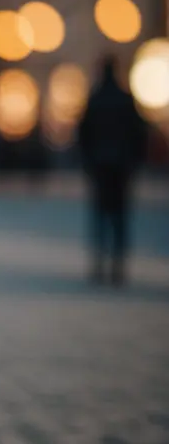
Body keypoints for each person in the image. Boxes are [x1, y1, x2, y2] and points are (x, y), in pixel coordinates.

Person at [76, 55, 148, 285]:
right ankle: (118, 264)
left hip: (100, 166)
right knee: (120, 216)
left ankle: (99, 262)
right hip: (121, 167)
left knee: (100, 216)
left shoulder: (96, 99)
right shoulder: (125, 100)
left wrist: (88, 161)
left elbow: (83, 134)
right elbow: (139, 133)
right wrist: (134, 161)